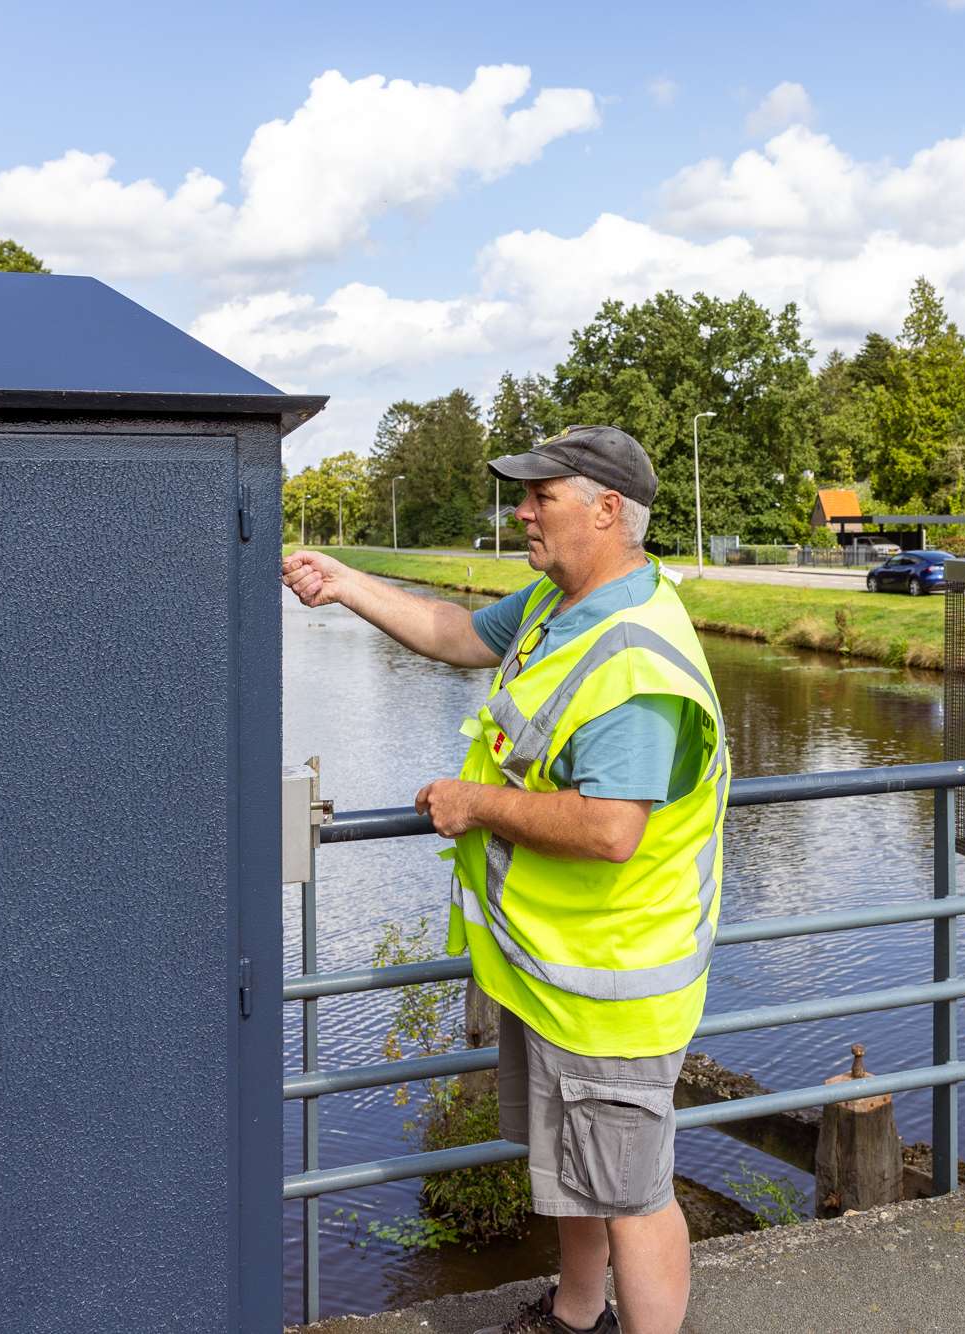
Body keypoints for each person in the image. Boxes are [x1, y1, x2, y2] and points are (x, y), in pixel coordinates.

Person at [281, 425, 728, 1334]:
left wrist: (476, 805)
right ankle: (574, 1315)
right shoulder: (559, 605)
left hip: (612, 982)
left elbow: (610, 829)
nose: (520, 510)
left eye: (541, 497)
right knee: (573, 1168)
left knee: (633, 1192)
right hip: (552, 968)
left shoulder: (634, 661)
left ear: (607, 512)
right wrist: (346, 583)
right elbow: (451, 631)